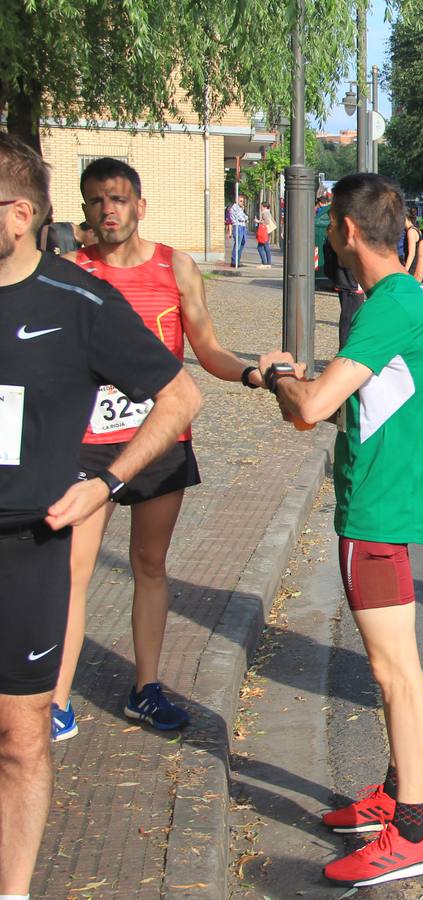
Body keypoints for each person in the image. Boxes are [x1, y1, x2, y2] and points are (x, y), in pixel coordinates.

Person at [0, 132, 201, 899]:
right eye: (97, 202)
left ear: (19, 214)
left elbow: (181, 390)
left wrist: (108, 481)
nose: (107, 213)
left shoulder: (78, 301)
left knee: (19, 743)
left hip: (26, 542)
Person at [260, 172, 423, 888]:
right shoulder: (410, 295)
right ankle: (393, 792)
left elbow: (307, 409)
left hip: (374, 507)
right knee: (394, 666)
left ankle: (412, 828)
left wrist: (278, 376)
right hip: (391, 500)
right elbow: (375, 394)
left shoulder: (386, 307)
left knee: (393, 670)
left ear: (344, 230)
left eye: (325, 225)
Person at [49, 156, 266, 742]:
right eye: (96, 200)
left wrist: (249, 374)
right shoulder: (70, 271)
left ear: (140, 205)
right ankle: (57, 702)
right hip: (88, 444)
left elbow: (207, 348)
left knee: (149, 563)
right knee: (73, 570)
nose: (107, 210)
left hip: (161, 440)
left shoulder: (177, 267)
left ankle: (145, 689)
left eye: (118, 199)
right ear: (86, 208)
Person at [228, 195, 249, 268]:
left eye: (243, 201)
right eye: (241, 201)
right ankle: (234, 261)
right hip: (237, 226)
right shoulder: (235, 208)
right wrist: (245, 218)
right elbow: (241, 218)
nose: (242, 203)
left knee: (242, 243)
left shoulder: (240, 209)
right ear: (236, 200)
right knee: (238, 244)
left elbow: (246, 217)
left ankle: (238, 260)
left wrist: (245, 217)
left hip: (243, 227)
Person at [400, 206, 421, 271]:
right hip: (415, 265)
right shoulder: (415, 229)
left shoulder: (411, 231)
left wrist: (405, 271)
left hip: (412, 268)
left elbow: (412, 254)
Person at [256, 201, 276, 267]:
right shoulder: (268, 212)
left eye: (261, 206)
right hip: (267, 231)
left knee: (261, 247)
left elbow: (266, 221)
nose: (260, 208)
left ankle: (265, 263)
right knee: (265, 247)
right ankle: (268, 263)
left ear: (264, 207)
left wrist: (258, 221)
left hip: (264, 232)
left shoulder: (264, 213)